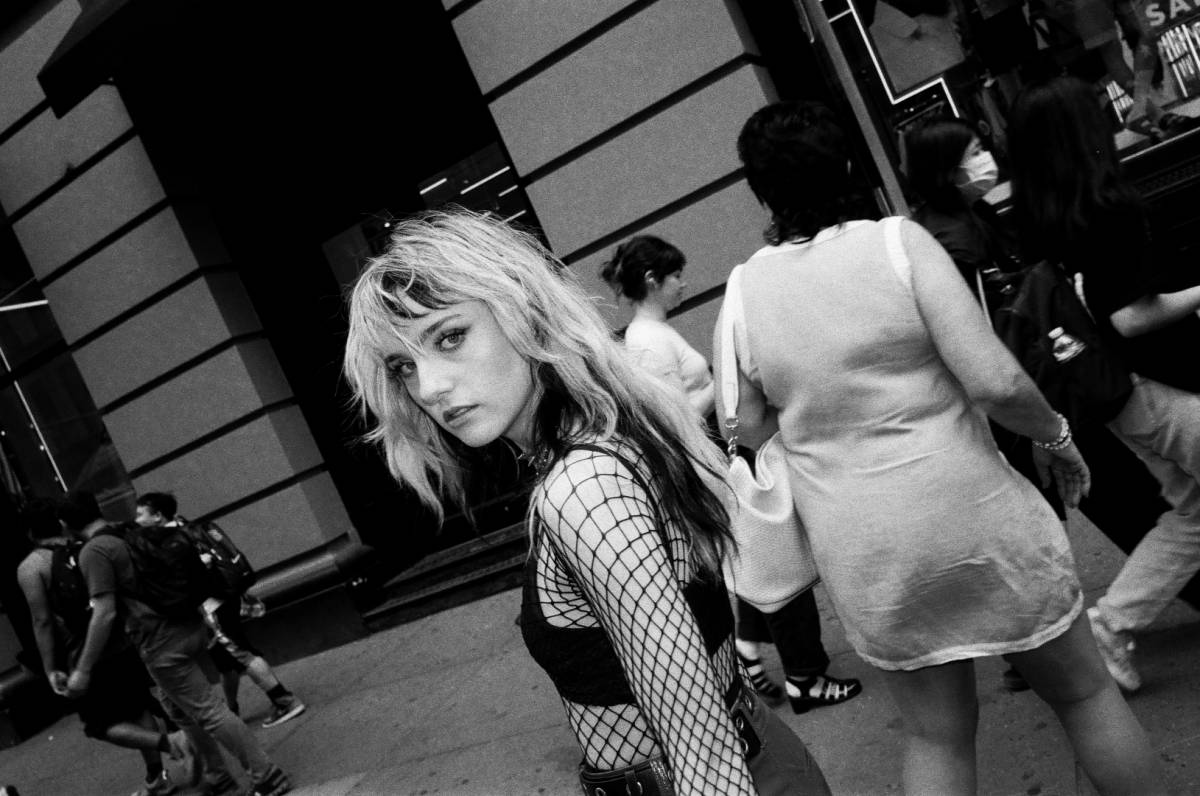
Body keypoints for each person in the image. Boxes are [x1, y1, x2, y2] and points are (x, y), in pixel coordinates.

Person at [724, 99, 1164, 794]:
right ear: (846, 166)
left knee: (936, 735)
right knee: (1084, 695)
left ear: (760, 188)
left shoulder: (746, 289)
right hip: (970, 511)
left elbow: (747, 427)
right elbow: (993, 381)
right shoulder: (900, 244)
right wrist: (1055, 435)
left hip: (866, 547)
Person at [344, 208, 831, 795]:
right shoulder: (612, 437)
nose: (429, 387)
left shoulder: (582, 486)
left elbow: (705, 755)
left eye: (450, 337)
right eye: (403, 366)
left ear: (523, 311)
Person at [904, 118, 1200, 647]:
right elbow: (986, 333)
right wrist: (1035, 422)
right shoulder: (955, 241)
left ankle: (1091, 631)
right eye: (973, 152)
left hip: (1052, 387)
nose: (985, 158)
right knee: (1072, 513)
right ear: (946, 170)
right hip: (1039, 394)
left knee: (1169, 510)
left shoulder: (971, 219)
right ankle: (1046, 646)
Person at [601, 234, 861, 713]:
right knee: (780, 566)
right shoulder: (646, 341)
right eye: (676, 275)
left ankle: (750, 648)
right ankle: (805, 676)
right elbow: (670, 416)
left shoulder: (652, 334)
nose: (684, 283)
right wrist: (726, 393)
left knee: (762, 562)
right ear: (653, 281)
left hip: (720, 462)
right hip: (714, 467)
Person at [1008, 74, 1200, 693]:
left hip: (1120, 399)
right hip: (1161, 386)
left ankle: (1113, 627)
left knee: (1194, 514)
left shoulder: (1046, 217)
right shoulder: (1112, 209)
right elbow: (1130, 315)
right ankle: (1112, 628)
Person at [61, 491, 292, 796]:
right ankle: (218, 777)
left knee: (209, 711)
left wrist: (83, 670)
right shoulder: (129, 530)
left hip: (161, 641)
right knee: (179, 711)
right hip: (189, 623)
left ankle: (267, 777)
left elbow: (104, 613)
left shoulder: (95, 552)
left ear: (67, 523)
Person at [15, 498, 195, 796]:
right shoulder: (83, 547)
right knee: (137, 707)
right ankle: (157, 778)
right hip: (120, 640)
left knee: (98, 725)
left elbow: (42, 621)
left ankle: (171, 743)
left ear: (30, 533)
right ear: (60, 522)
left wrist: (50, 669)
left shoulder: (31, 567)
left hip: (83, 652)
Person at [134, 493, 306, 728]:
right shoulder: (190, 527)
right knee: (226, 660)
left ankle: (285, 701)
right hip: (226, 599)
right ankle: (232, 709)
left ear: (157, 516)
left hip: (211, 607)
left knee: (242, 653)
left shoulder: (172, 541)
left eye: (140, 514)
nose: (136, 519)